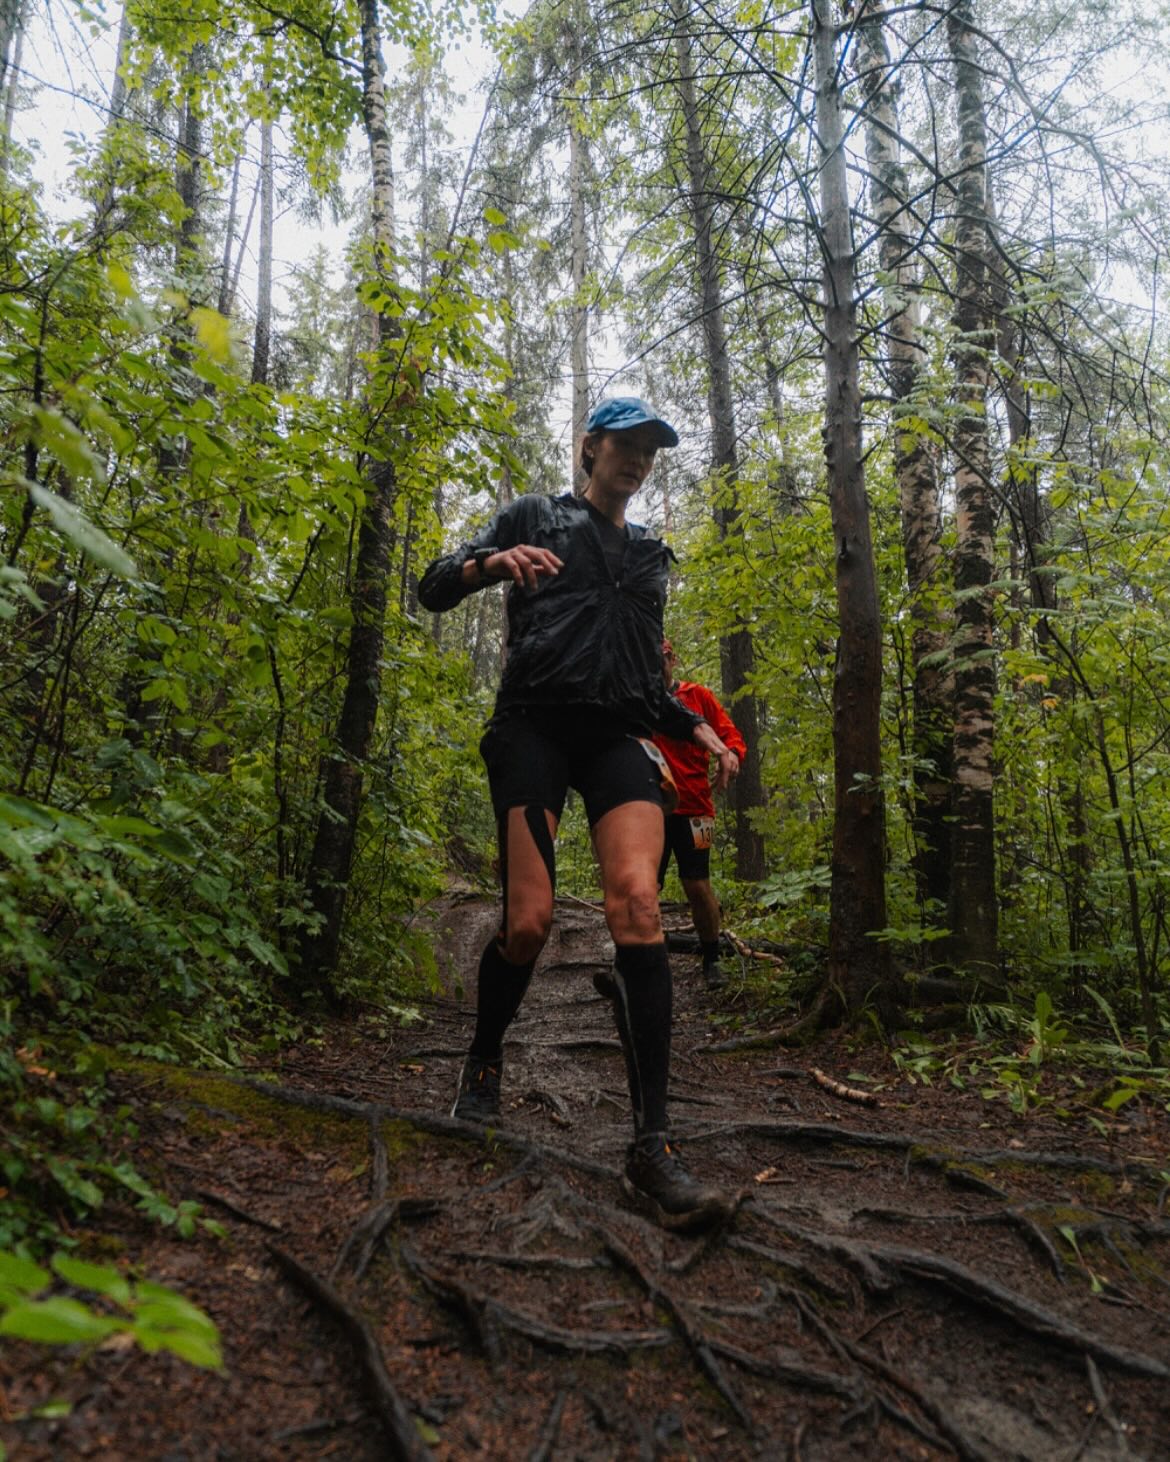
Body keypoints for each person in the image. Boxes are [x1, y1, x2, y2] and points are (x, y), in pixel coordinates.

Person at [418, 396, 736, 1232]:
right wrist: (492, 564)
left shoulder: (648, 559)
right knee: (529, 922)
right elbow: (433, 586)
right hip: (531, 727)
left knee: (637, 901)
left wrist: (693, 724)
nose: (636, 461)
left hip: (615, 736)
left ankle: (653, 1146)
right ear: (590, 449)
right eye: (624, 446)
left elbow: (641, 678)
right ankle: (483, 1063)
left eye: (649, 452)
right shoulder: (536, 516)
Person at [653, 639, 746, 991]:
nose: (657, 666)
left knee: (697, 884)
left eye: (662, 659)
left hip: (695, 810)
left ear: (672, 659)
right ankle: (642, 957)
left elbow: (729, 735)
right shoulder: (638, 700)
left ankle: (712, 958)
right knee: (647, 885)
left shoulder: (698, 696)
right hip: (651, 808)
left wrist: (732, 754)